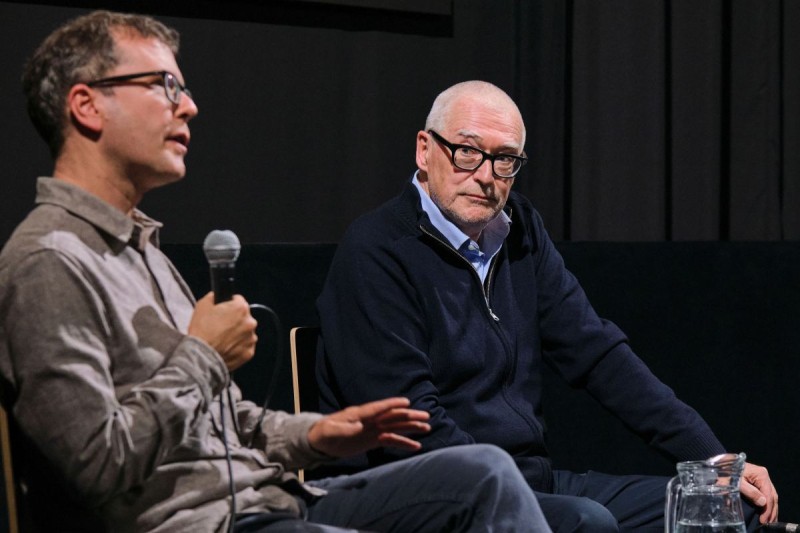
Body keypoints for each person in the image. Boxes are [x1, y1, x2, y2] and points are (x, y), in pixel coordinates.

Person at [0, 14, 553, 533]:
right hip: (209, 521)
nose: (188, 107)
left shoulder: (138, 248)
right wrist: (202, 355)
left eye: (185, 90)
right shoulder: (49, 262)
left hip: (271, 497)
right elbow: (99, 464)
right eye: (164, 86)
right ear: (87, 106)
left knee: (483, 472)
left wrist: (315, 433)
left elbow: (223, 421)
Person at [315, 80, 779, 532]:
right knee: (585, 521)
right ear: (424, 149)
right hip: (416, 491)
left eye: (505, 161)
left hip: (528, 480)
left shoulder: (520, 231)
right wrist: (514, 493)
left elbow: (600, 357)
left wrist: (713, 460)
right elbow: (409, 426)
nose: (484, 175)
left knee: (729, 506)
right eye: (468, 152)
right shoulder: (377, 250)